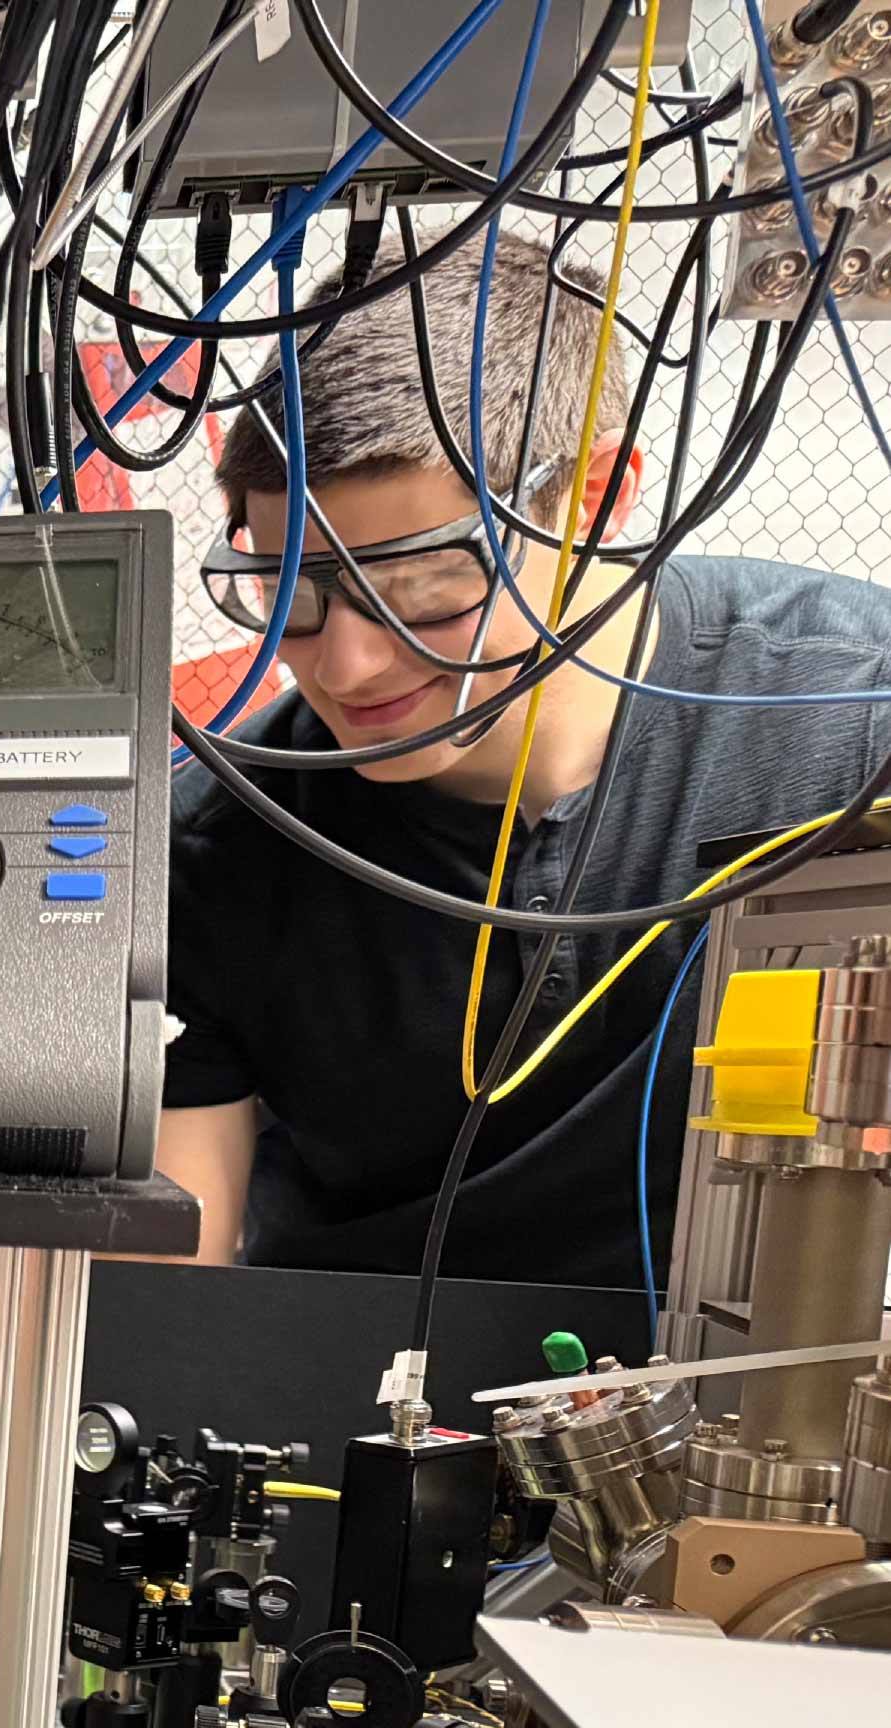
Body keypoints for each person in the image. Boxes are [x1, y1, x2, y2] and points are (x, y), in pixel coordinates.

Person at [160, 234, 891, 1286]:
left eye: (418, 591)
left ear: (596, 497)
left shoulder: (850, 727)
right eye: (289, 593)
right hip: (336, 1399)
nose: (350, 664)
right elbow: (171, 1283)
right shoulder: (220, 842)